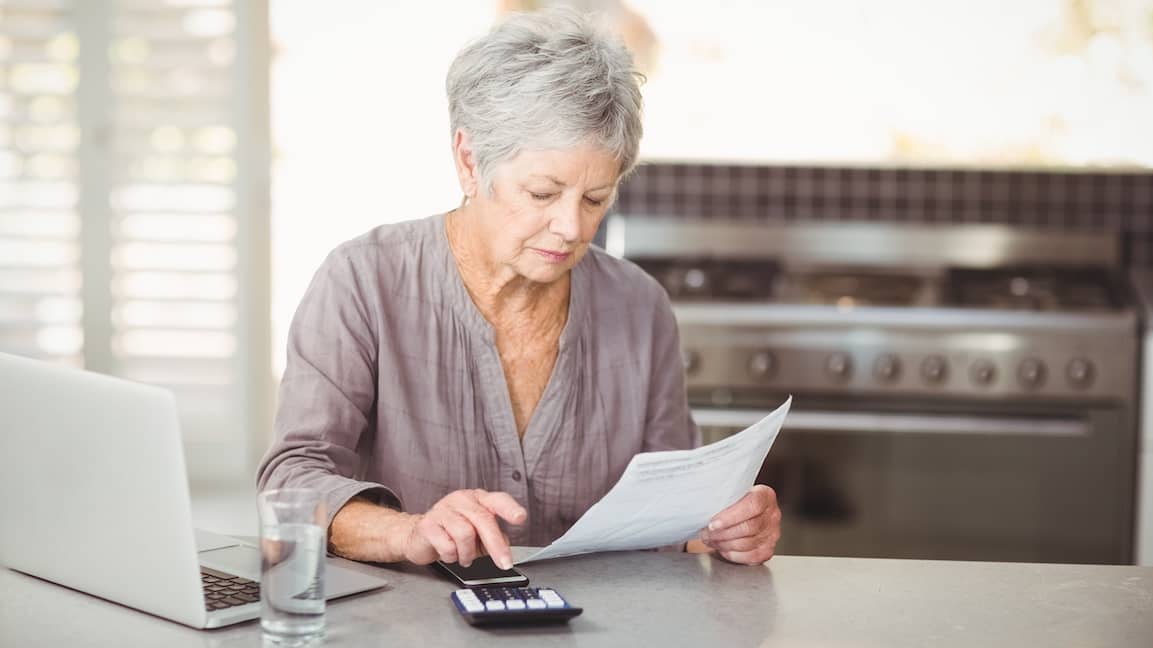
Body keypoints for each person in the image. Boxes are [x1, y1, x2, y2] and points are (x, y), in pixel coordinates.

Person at [256, 8, 781, 571]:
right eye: (541, 193)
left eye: (595, 198)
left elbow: (674, 521)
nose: (572, 228)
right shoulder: (362, 282)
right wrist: (410, 532)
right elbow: (291, 483)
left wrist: (725, 529)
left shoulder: (640, 308)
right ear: (468, 160)